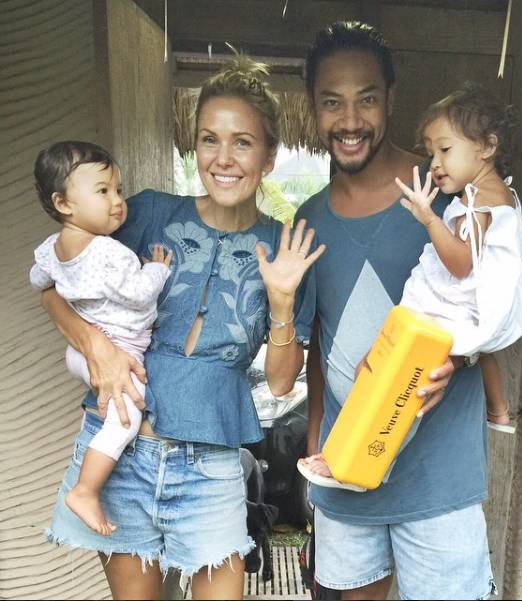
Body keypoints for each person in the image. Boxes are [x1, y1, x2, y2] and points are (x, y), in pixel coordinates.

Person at [39, 55, 323, 600]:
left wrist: (282, 304)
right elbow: (53, 286)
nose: (223, 158)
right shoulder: (146, 214)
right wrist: (96, 346)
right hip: (119, 456)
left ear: (269, 157)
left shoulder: (283, 248)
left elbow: (282, 382)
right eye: (209, 139)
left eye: (243, 142)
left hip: (211, 468)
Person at [292, 22, 500, 600]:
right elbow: (319, 346)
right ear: (312, 106)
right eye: (332, 102)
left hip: (439, 478)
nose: (350, 120)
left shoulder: (450, 194)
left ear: (391, 98)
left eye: (366, 99)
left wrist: (459, 358)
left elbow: (504, 301)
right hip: (346, 471)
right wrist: (314, 446)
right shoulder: (309, 219)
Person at [300, 82, 522, 489]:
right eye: (431, 152)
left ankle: (354, 462)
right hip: (471, 311)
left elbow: (460, 265)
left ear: (487, 147)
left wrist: (430, 219)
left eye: (445, 150)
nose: (435, 163)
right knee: (386, 374)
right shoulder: (505, 199)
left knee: (383, 376)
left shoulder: (474, 206)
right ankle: (496, 412)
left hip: (449, 310)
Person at [30, 141, 173, 536]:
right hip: (120, 352)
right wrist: (157, 270)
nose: (117, 201)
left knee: (113, 416)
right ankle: (85, 490)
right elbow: (139, 293)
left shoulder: (52, 249)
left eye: (118, 190)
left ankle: (87, 487)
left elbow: (38, 281)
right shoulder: (110, 253)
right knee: (125, 422)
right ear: (63, 203)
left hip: (80, 352)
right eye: (103, 191)